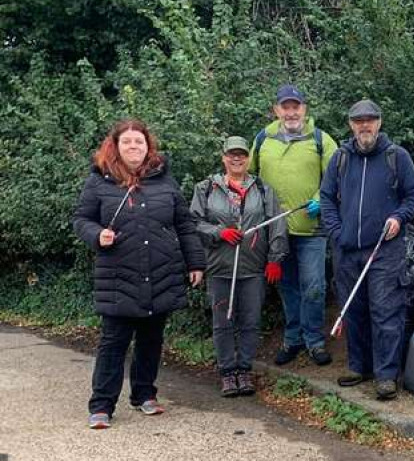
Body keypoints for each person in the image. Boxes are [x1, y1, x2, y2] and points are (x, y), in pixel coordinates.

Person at [72, 119, 206, 429]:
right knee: (113, 342)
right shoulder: (99, 182)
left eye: (140, 142)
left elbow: (184, 225)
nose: (134, 146)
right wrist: (96, 234)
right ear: (116, 146)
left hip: (161, 272)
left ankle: (144, 394)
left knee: (151, 339)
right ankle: (102, 404)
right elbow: (81, 219)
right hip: (118, 275)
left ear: (148, 147)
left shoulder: (164, 181)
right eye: (128, 142)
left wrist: (195, 263)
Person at [320, 99, 414, 400]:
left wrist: (398, 218)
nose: (364, 125)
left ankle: (386, 374)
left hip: (385, 250)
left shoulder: (397, 157)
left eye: (370, 120)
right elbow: (326, 199)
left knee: (386, 311)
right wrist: (337, 233)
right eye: (358, 120)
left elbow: (413, 196)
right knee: (353, 309)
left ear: (379, 123)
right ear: (351, 125)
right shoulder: (340, 159)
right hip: (347, 250)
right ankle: (358, 366)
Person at [190, 136, 288, 397]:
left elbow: (277, 225)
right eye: (232, 154)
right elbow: (194, 223)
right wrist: (219, 232)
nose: (237, 159)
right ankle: (227, 372)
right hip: (220, 267)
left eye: (242, 155)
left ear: (248, 158)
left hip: (253, 268)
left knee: (251, 322)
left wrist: (275, 259)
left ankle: (244, 370)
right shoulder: (206, 189)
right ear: (223, 157)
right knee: (222, 322)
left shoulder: (263, 190)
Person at [250, 85, 337, 366]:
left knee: (314, 286)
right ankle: (293, 338)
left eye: (295, 106)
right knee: (287, 287)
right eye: (285, 107)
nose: (291, 112)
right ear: (276, 110)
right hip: (276, 232)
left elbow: (337, 178)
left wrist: (320, 201)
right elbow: (248, 178)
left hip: (312, 230)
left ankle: (315, 341)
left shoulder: (322, 140)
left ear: (304, 109)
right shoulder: (263, 139)